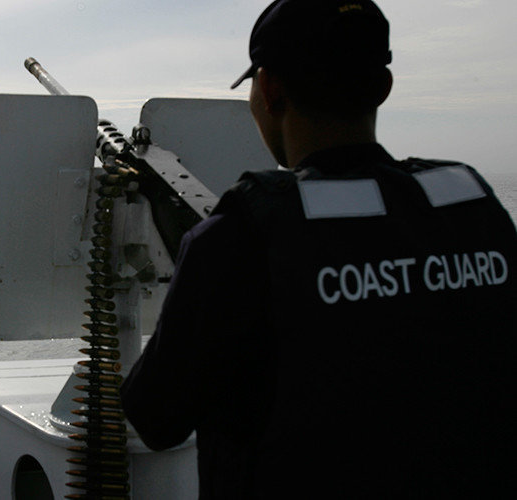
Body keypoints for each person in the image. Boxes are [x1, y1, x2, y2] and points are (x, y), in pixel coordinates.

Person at [120, 1, 517, 498]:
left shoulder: (244, 233)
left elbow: (154, 417)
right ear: (384, 87)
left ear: (269, 89)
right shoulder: (471, 203)